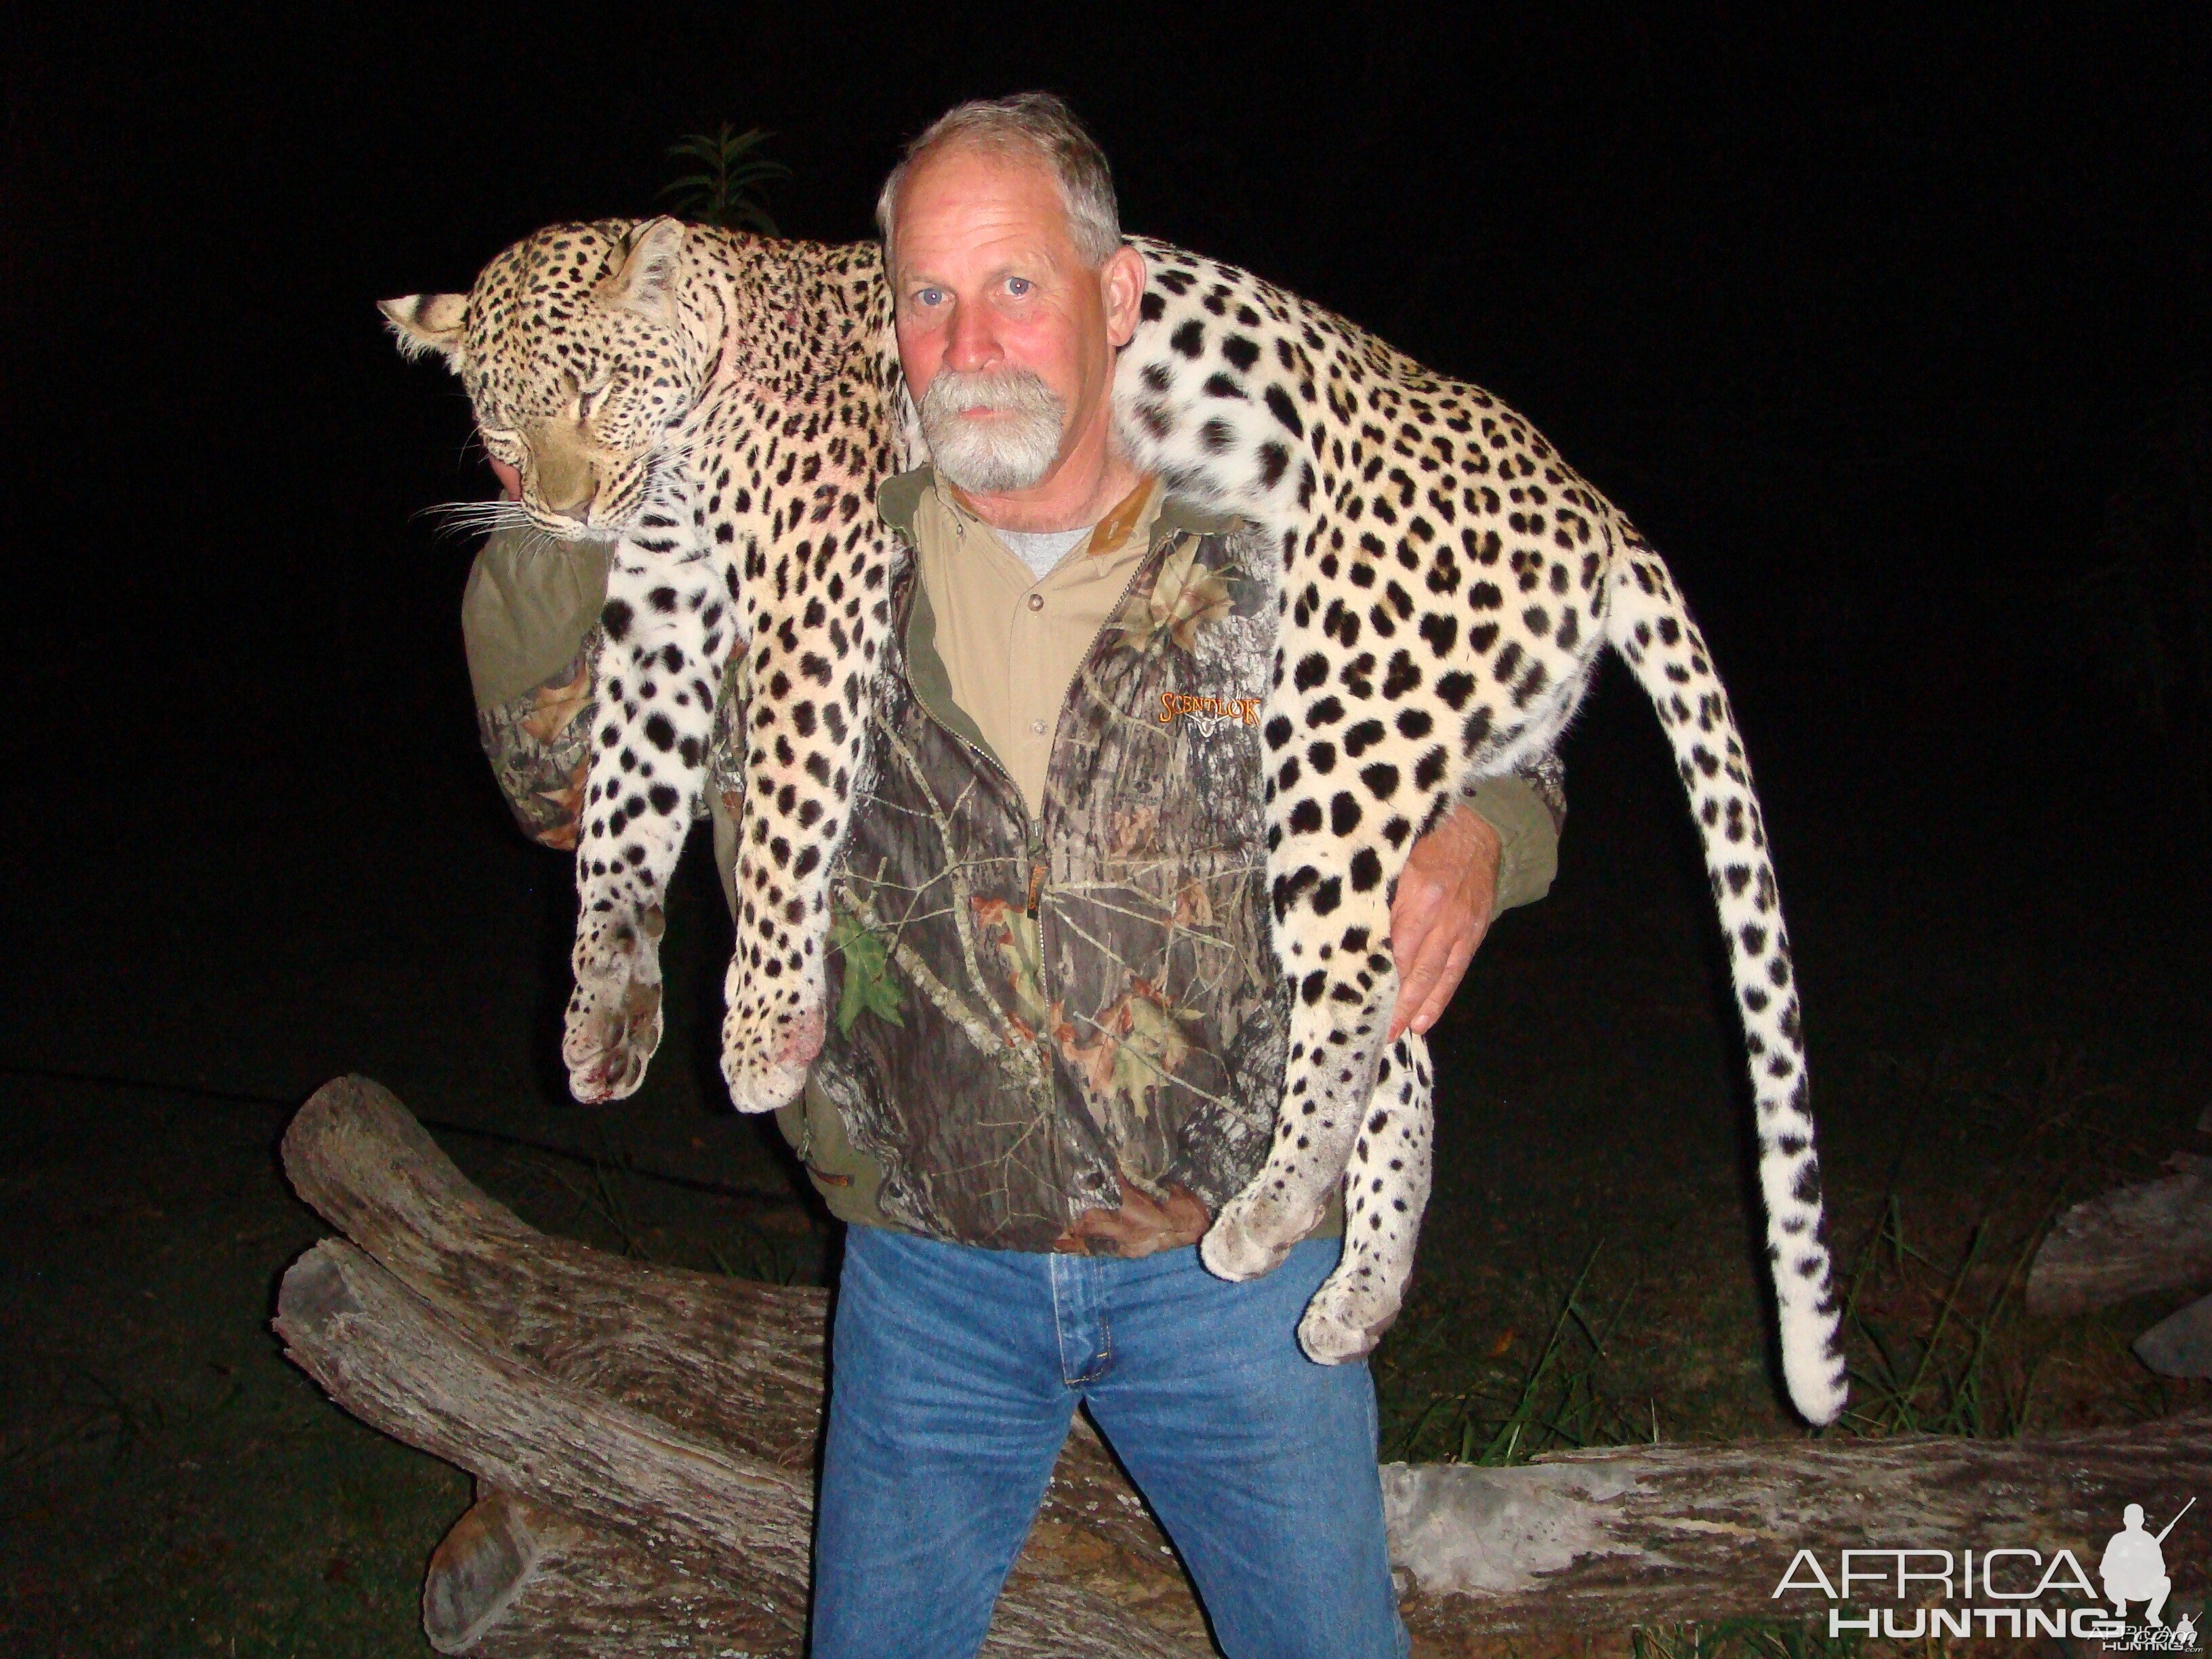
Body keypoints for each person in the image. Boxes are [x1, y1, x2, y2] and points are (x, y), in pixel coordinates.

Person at [463, 94, 1563, 1659]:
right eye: (926, 294)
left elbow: (1499, 685)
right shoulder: (803, 526)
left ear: (1116, 299)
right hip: (929, 1279)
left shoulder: (1263, 522)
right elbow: (554, 789)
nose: (969, 338)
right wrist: (566, 455)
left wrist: (1485, 832)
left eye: (1019, 287)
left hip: (1233, 1274)